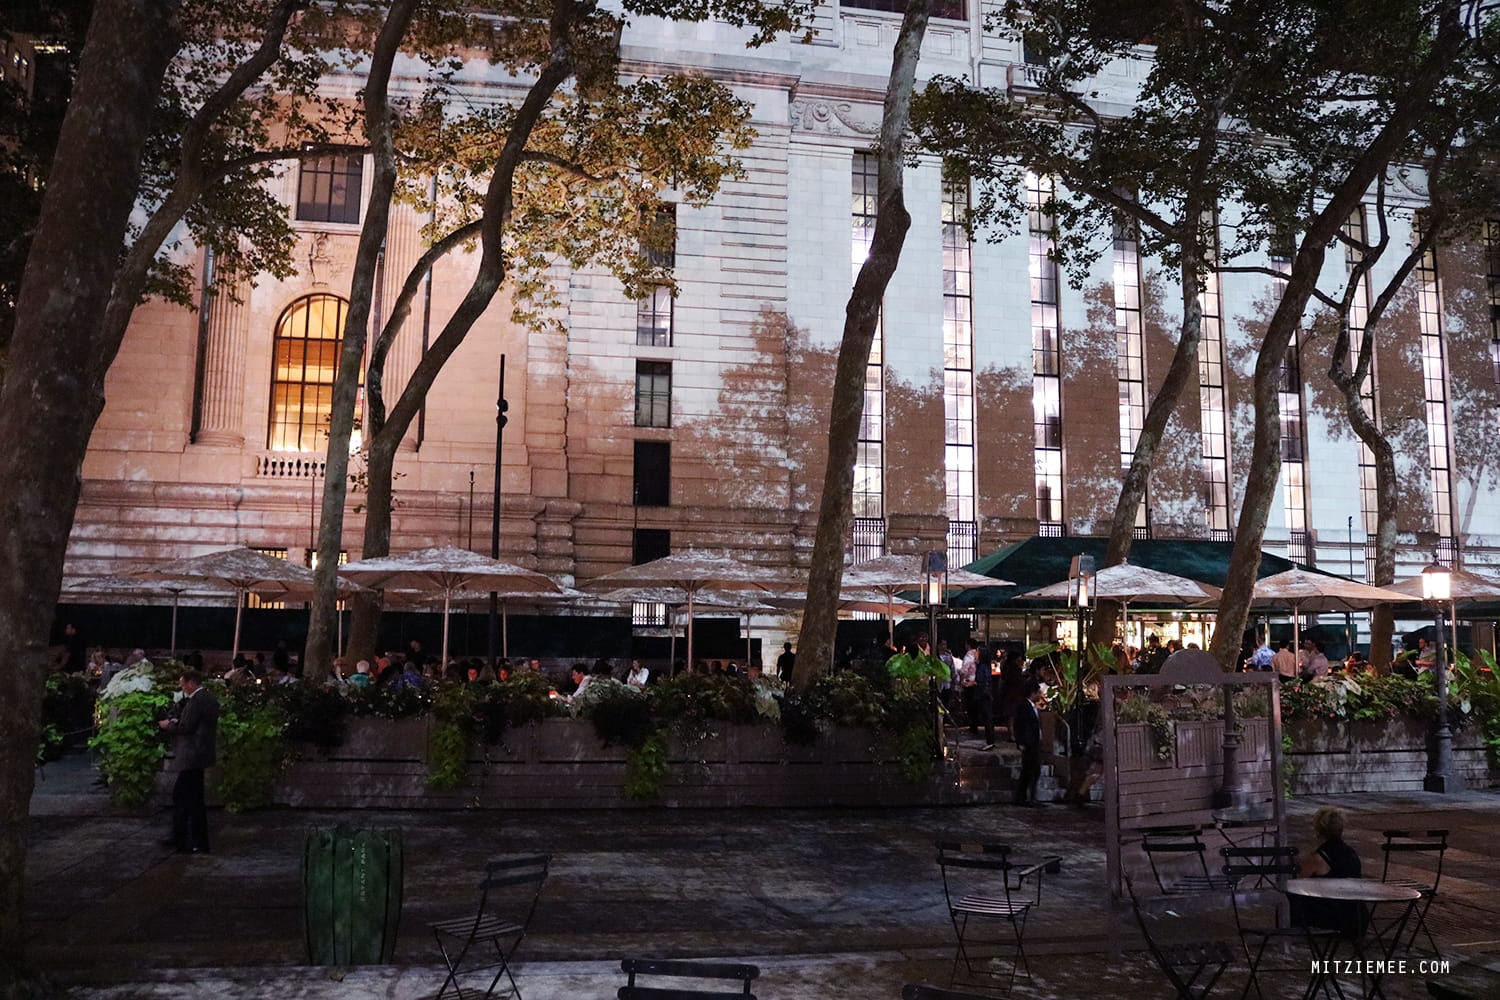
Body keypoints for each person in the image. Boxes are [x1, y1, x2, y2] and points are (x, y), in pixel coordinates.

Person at [158, 668, 219, 854]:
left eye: (183, 684)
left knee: (186, 797)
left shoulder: (197, 700)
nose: (182, 688)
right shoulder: (208, 698)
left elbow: (186, 726)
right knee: (190, 797)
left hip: (192, 755)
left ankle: (190, 840)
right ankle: (185, 837)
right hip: (200, 754)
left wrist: (169, 725)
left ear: (191, 683)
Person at [1292, 806, 1366, 938]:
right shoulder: (1351, 853)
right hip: (1357, 917)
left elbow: (1297, 885)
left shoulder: (1317, 858)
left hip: (1334, 920)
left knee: (1293, 896)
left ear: (1318, 829)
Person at [1012, 680, 1045, 806]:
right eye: (1038, 692)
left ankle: (1030, 797)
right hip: (1028, 743)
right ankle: (1024, 797)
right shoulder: (1023, 707)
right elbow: (1019, 725)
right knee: (1028, 770)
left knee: (1034, 770)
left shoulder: (1033, 707)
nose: (1040, 695)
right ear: (1033, 693)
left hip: (1034, 742)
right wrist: (1020, 742)